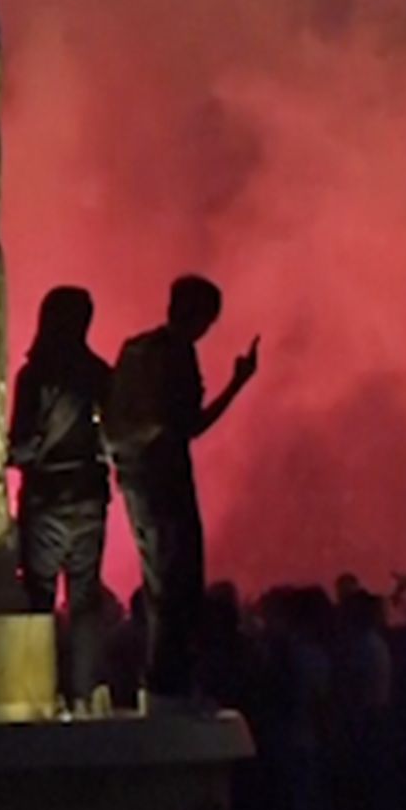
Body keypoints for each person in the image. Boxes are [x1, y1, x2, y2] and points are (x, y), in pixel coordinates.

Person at [106, 275, 258, 712]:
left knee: (163, 581)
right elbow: (187, 425)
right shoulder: (174, 355)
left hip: (137, 479)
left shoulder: (136, 350)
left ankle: (163, 681)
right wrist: (238, 384)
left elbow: (118, 417)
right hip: (164, 479)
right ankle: (166, 685)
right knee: (177, 582)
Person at [8, 286, 112, 715]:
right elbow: (112, 438)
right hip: (89, 496)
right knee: (84, 596)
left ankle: (36, 692)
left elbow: (25, 442)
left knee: (39, 595)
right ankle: (83, 691)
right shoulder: (100, 373)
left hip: (46, 498)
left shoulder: (36, 376)